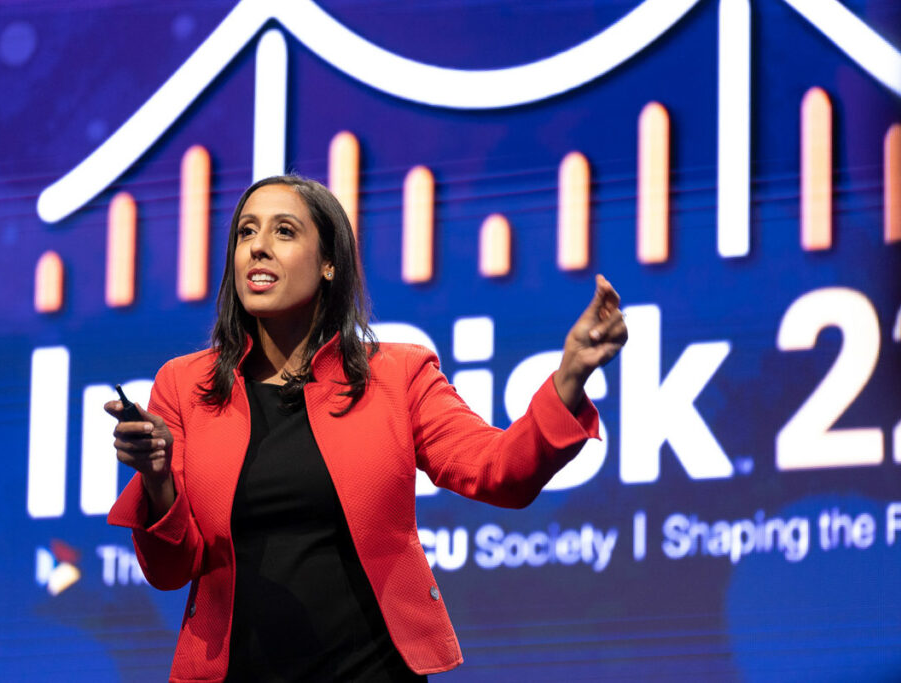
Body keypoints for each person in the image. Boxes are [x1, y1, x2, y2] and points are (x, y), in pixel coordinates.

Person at [106, 175, 627, 682]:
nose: (257, 248)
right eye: (246, 232)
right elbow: (171, 571)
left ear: (330, 263)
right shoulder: (185, 385)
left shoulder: (398, 375)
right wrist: (158, 482)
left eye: (284, 231)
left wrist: (568, 379)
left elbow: (500, 472)